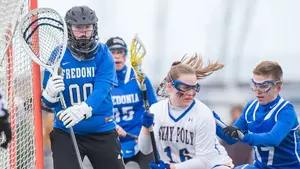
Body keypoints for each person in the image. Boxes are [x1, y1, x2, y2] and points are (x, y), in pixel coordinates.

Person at [42, 6, 125, 169]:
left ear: (94, 28)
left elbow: (102, 88)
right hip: (67, 132)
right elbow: (48, 102)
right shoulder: (57, 55)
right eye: (78, 28)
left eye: (87, 27)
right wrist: (50, 94)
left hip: (101, 129)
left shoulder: (103, 52)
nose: (84, 32)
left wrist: (83, 109)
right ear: (69, 29)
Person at [138, 54, 234, 169]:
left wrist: (170, 168)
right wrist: (146, 128)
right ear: (170, 87)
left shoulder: (203, 114)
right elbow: (145, 149)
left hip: (214, 165)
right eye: (184, 87)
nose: (191, 93)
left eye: (194, 87)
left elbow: (204, 162)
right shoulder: (156, 111)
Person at [217, 61, 300, 169]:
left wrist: (243, 136)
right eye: (255, 85)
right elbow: (230, 138)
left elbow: (273, 139)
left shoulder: (286, 111)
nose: (258, 92)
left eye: (264, 86)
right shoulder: (250, 107)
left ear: (277, 88)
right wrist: (210, 119)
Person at [106, 36, 157, 169]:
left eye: (120, 52)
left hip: (140, 137)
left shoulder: (139, 78)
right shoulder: (103, 80)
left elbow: (154, 106)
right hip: (114, 140)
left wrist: (146, 129)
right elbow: (97, 111)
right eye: (113, 52)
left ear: (125, 55)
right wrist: (113, 126)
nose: (117, 56)